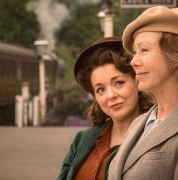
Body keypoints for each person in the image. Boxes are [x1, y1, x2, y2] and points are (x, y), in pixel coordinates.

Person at [57, 37, 153, 180]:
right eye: (100, 89)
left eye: (119, 83)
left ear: (137, 81)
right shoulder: (82, 140)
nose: (110, 95)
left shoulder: (153, 138)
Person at [108, 6, 178, 180]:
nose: (133, 61)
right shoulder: (139, 123)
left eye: (144, 50)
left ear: (174, 55)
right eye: (135, 52)